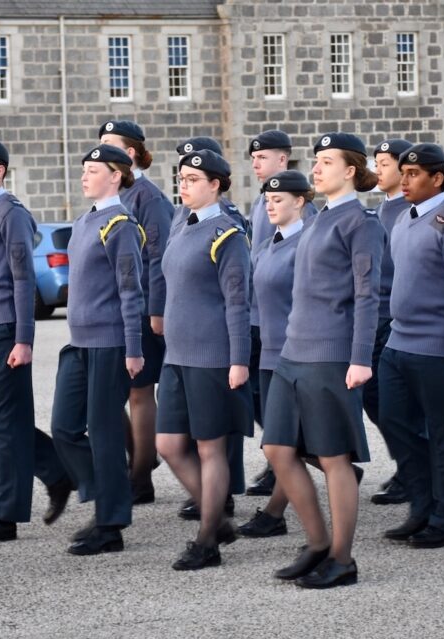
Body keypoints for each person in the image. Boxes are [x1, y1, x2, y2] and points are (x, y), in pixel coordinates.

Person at [263, 132, 385, 589]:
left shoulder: (361, 223)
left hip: (332, 354)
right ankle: (315, 542)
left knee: (334, 457)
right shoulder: (317, 219)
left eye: (326, 161)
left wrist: (361, 358)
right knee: (277, 448)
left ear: (350, 170)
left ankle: (342, 558)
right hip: (294, 352)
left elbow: (368, 295)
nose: (316, 167)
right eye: (315, 160)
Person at [0, 139, 71, 545]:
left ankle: (3, 515)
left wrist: (24, 339)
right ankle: (60, 470)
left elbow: (23, 280)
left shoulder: (12, 214)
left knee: (5, 424)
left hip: (6, 329)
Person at [156, 149, 253, 570]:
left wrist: (238, 360)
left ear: (215, 184)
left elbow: (238, 303)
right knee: (169, 445)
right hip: (177, 356)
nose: (184, 184)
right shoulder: (183, 225)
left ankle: (207, 540)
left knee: (210, 449)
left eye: (194, 178)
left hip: (213, 356)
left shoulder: (227, 234)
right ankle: (216, 517)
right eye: (181, 177)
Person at [379, 143, 444, 549]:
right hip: (398, 343)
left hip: (437, 347)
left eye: (414, 174)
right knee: (394, 424)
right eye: (402, 173)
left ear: (437, 178)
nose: (405, 180)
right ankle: (422, 504)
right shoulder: (402, 219)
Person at [49, 144, 145, 556]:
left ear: (116, 175)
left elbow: (131, 292)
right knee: (64, 427)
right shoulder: (86, 220)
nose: (85, 175)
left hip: (110, 343)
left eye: (93, 169)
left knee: (104, 433)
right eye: (84, 168)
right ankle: (97, 490)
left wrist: (134, 349)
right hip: (80, 342)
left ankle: (110, 523)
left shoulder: (120, 224)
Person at [100, 120, 173, 505]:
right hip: (114, 309)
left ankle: (141, 475)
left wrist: (156, 310)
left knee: (140, 392)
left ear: (129, 154)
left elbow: (159, 257)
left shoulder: (149, 197)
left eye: (109, 146)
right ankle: (138, 461)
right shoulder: (114, 195)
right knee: (118, 392)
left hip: (143, 307)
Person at [236, 170, 311, 539]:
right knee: (282, 440)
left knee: (282, 441)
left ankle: (277, 514)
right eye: (267, 201)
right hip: (268, 352)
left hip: (295, 354)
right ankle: (279, 512)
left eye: (278, 200)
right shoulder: (266, 247)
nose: (270, 207)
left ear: (300, 202)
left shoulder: (308, 245)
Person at [244, 129, 318, 497]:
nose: (255, 163)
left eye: (262, 157)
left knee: (280, 403)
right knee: (259, 395)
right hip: (259, 315)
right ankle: (284, 461)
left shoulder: (303, 210)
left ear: (282, 160)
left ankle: (290, 463)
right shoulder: (261, 203)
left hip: (284, 324)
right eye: (253, 158)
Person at [366, 138, 413, 507]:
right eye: (376, 163)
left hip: (396, 319)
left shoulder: (408, 210)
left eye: (384, 163)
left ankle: (413, 469)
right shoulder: (380, 210)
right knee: (376, 400)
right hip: (375, 315)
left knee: (396, 404)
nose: (378, 169)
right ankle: (409, 465)